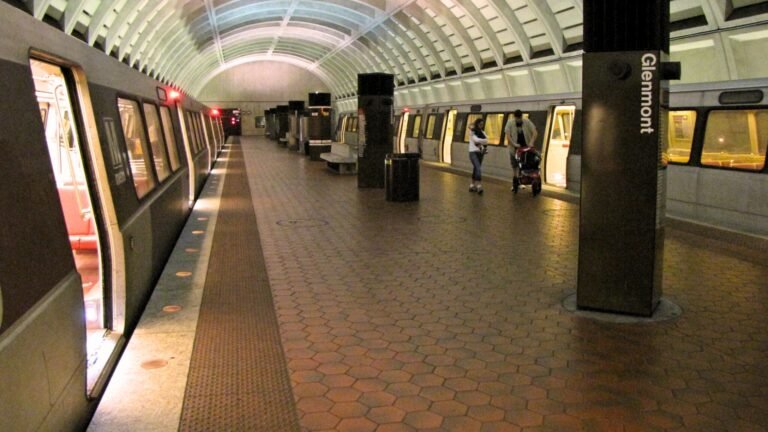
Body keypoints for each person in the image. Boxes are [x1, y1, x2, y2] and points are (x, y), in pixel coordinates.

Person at [504, 109, 538, 185]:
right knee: (515, 164)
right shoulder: (510, 122)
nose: (519, 120)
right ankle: (515, 178)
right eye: (517, 118)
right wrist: (514, 144)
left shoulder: (527, 121)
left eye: (520, 118)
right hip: (514, 148)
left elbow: (535, 132)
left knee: (526, 163)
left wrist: (531, 142)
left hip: (526, 147)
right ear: (514, 117)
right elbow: (508, 135)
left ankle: (525, 177)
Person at [468, 118, 488, 194]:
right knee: (478, 167)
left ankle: (472, 185)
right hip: (472, 152)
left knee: (476, 168)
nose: (481, 126)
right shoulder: (472, 132)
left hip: (480, 153)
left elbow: (487, 140)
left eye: (482, 125)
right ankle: (479, 186)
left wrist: (481, 140)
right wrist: (482, 140)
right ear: (477, 124)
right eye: (480, 124)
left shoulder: (483, 132)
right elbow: (475, 140)